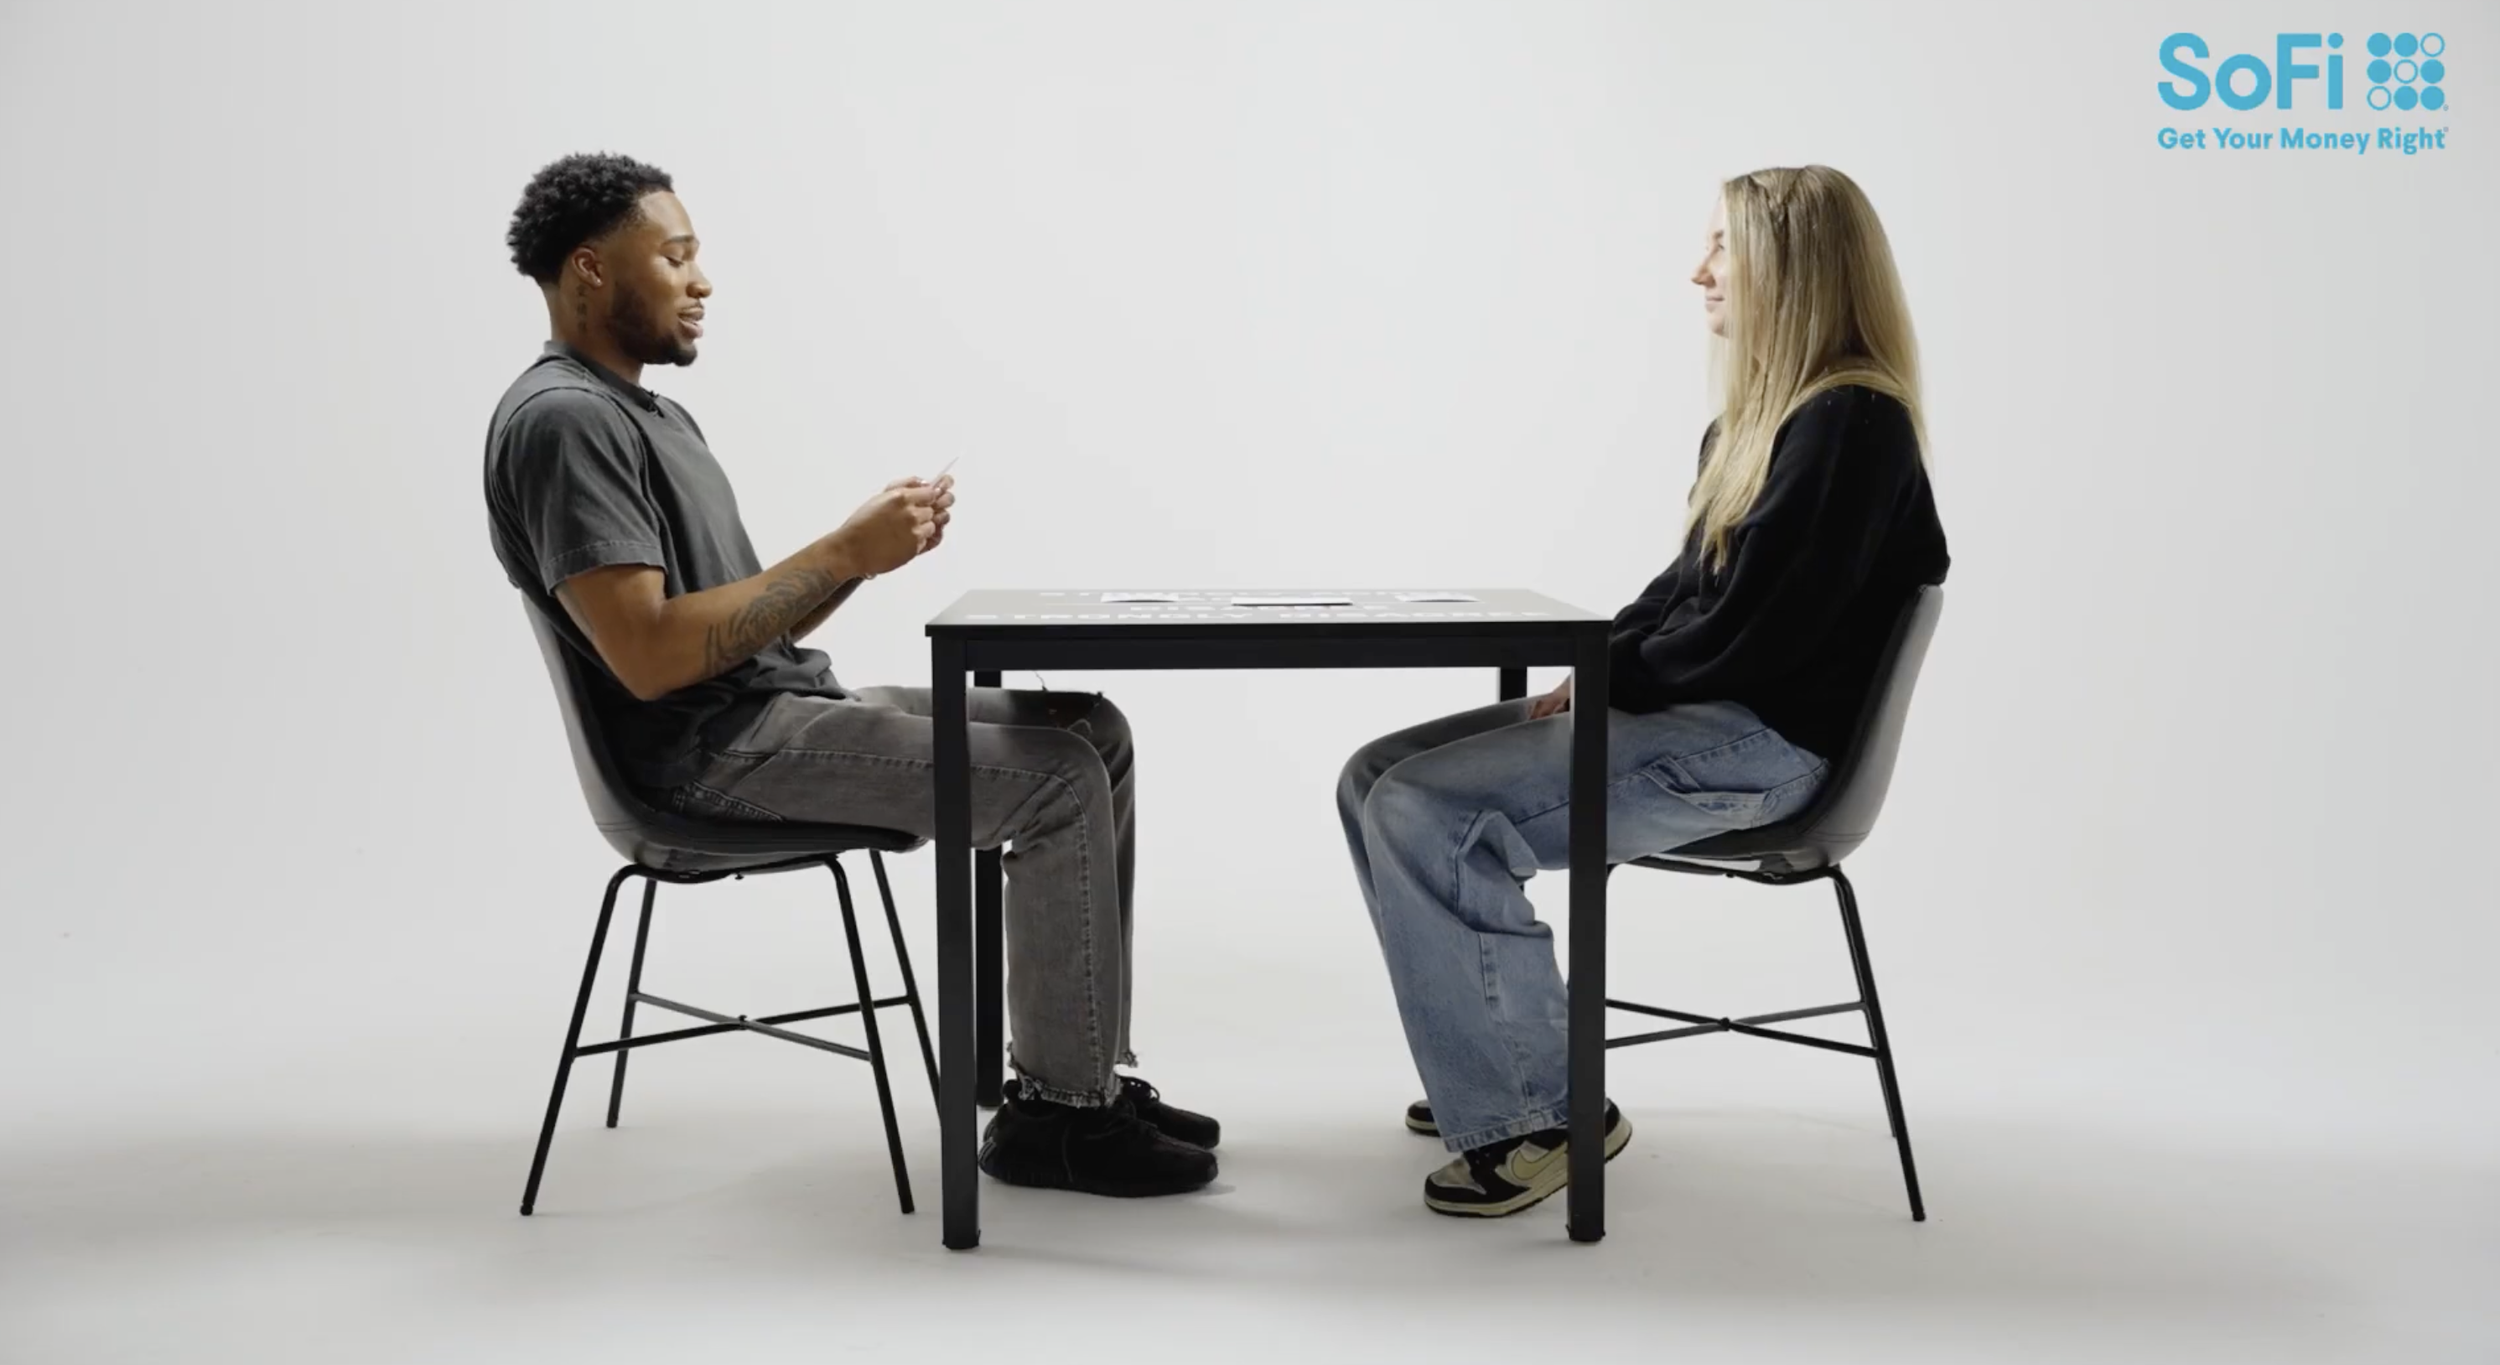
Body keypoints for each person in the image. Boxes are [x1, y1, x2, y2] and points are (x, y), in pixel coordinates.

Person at [481, 152, 1218, 1199]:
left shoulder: (647, 414)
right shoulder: (566, 423)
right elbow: (648, 659)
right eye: (677, 255)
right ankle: (1059, 1121)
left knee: (1090, 729)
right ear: (592, 272)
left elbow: (730, 625)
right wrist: (843, 551)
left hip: (760, 711)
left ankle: (1080, 1072)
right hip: (698, 760)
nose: (702, 281)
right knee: (1056, 777)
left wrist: (868, 555)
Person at [1336, 164, 1950, 1218]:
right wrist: (1595, 670)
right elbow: (1682, 596)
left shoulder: (1850, 424)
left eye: (1724, 248)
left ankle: (1541, 1114)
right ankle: (1500, 1065)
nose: (1698, 271)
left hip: (1766, 747)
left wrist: (1611, 678)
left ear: (1790, 270)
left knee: (1423, 807)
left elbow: (1755, 638)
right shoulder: (1761, 423)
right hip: (1710, 717)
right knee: (1374, 775)